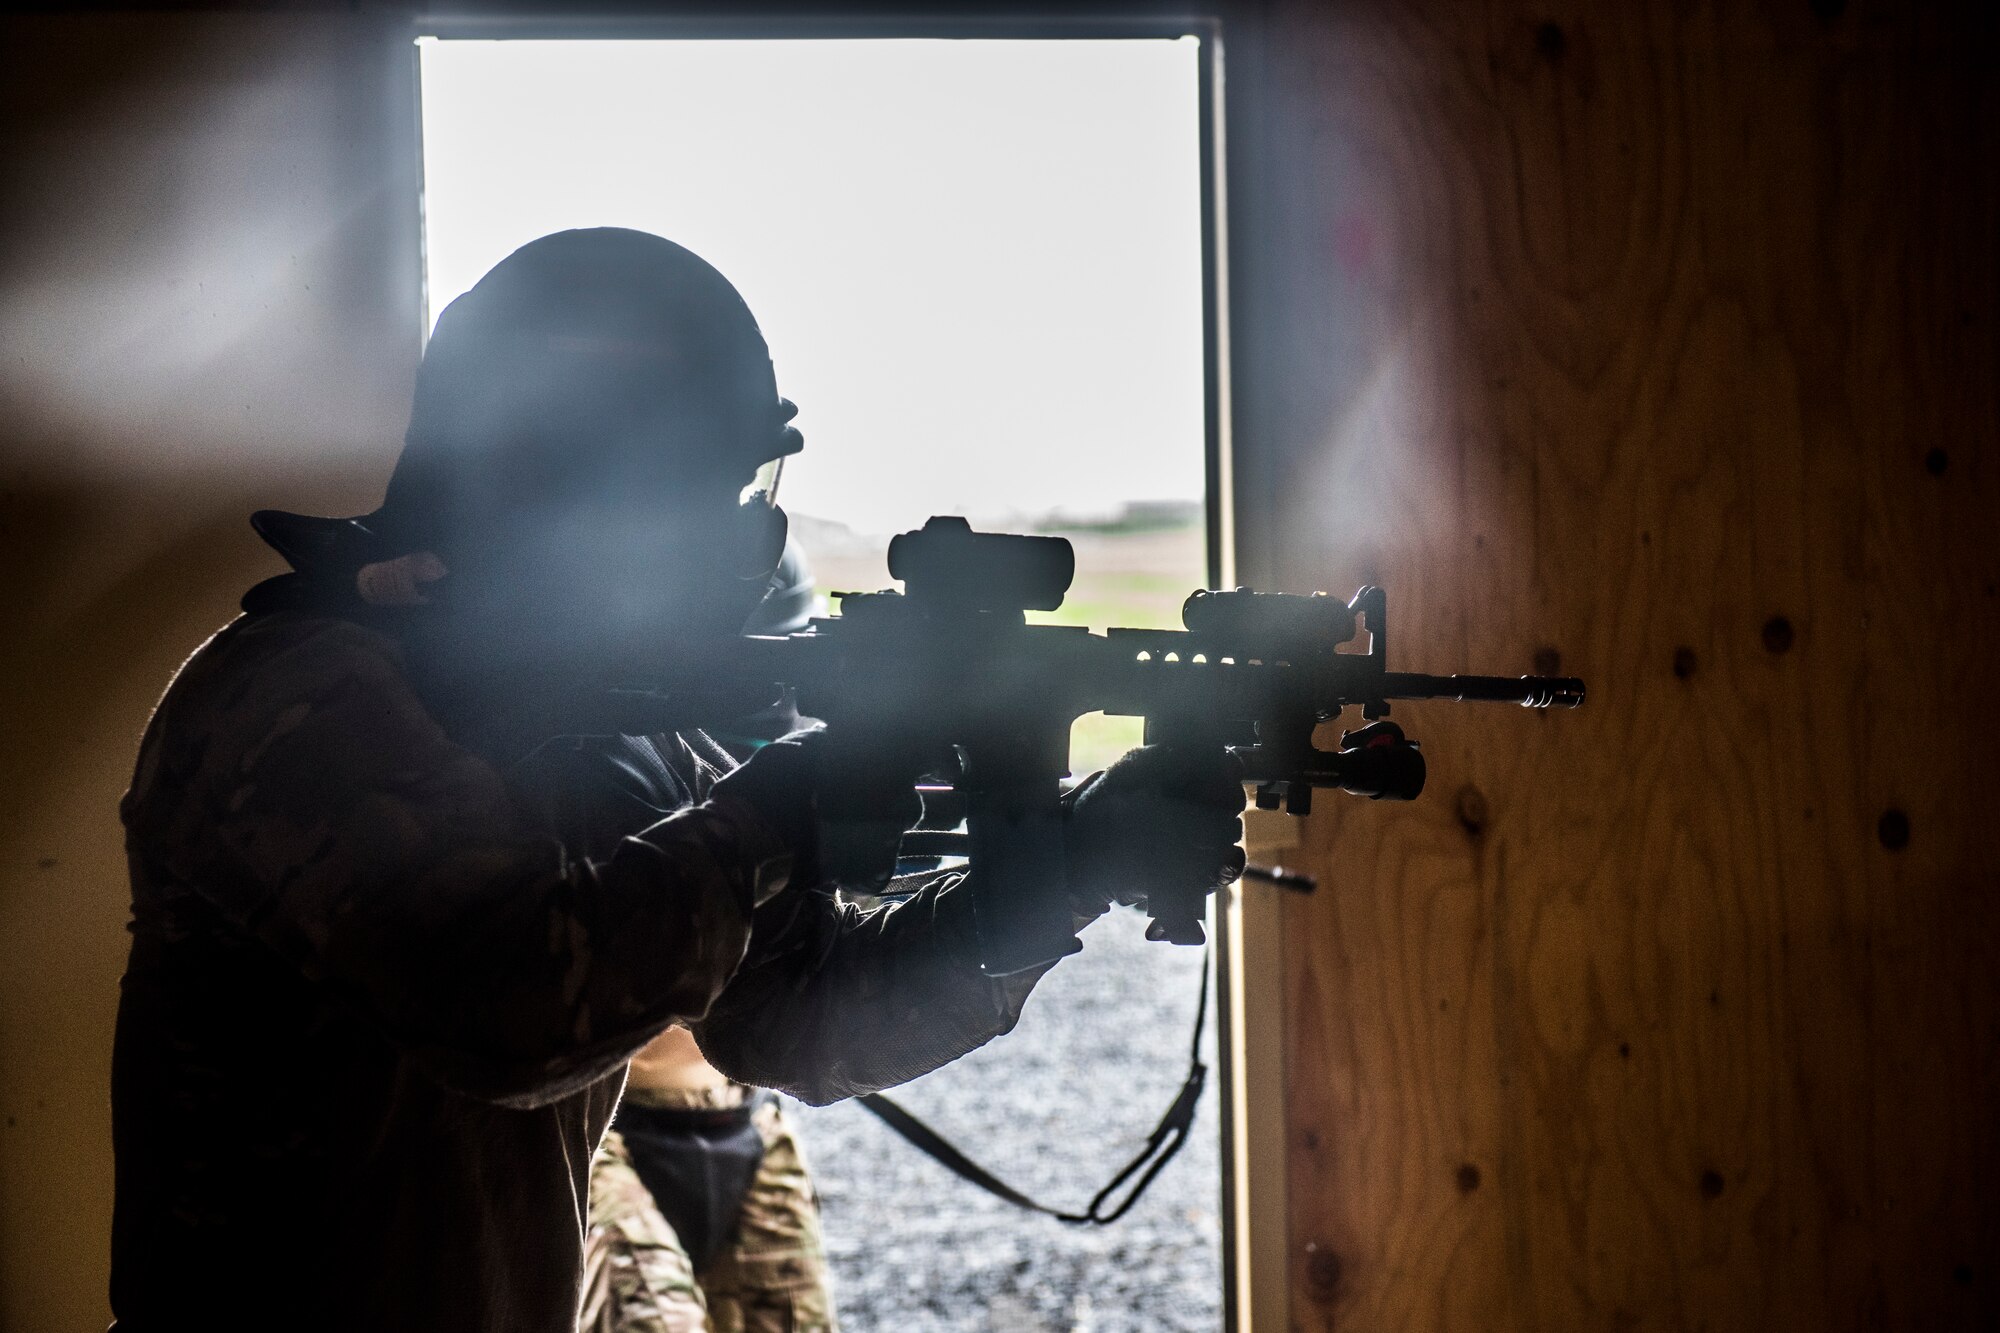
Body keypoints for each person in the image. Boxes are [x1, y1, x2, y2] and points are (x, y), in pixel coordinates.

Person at [109, 228, 1246, 1332]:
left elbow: (800, 1023)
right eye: (702, 481)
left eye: (747, 479)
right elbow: (509, 1008)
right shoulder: (300, 692)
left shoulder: (607, 714)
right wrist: (783, 806)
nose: (737, 529)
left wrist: (1067, 869)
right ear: (560, 483)